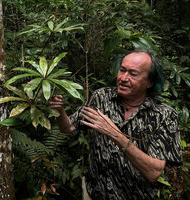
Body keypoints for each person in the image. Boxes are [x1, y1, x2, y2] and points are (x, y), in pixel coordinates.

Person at [49, 50, 182, 200]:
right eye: (122, 70)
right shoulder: (101, 98)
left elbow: (153, 173)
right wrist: (59, 111)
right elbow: (68, 127)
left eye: (133, 74)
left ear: (149, 82)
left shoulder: (164, 115)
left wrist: (114, 134)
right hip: (95, 193)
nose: (124, 78)